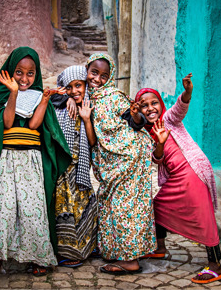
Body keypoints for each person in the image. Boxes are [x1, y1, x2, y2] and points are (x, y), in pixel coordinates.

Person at [0, 47, 72, 280]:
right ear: (10, 71)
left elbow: (34, 126)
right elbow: (7, 122)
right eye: (19, 72)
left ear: (36, 74)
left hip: (30, 161)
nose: (24, 78)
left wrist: (46, 98)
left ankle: (36, 257)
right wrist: (14, 93)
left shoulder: (38, 95)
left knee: (32, 210)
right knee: (3, 209)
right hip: (7, 160)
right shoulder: (1, 93)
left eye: (30, 73)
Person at [135, 73, 221, 284]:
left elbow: (180, 107)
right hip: (177, 177)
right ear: (139, 110)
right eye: (144, 105)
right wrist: (159, 141)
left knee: (204, 219)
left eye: (154, 103)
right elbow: (157, 159)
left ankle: (215, 265)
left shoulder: (168, 119)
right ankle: (160, 247)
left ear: (160, 104)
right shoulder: (146, 134)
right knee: (157, 206)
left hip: (193, 171)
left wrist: (187, 91)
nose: (150, 108)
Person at [86, 53, 156, 275]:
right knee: (113, 204)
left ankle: (129, 260)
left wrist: (135, 116)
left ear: (111, 77)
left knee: (125, 207)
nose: (98, 79)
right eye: (94, 72)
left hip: (130, 159)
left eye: (104, 75)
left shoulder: (114, 97)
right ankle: (121, 250)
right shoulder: (90, 98)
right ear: (86, 70)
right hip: (114, 161)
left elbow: (136, 122)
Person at [49, 65, 98, 268]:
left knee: (84, 207)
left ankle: (89, 246)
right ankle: (70, 252)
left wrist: (86, 119)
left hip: (81, 168)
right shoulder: (59, 106)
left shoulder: (90, 107)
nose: (74, 91)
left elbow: (92, 142)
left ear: (85, 85)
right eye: (68, 88)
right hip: (63, 169)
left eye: (78, 85)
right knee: (66, 209)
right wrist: (64, 98)